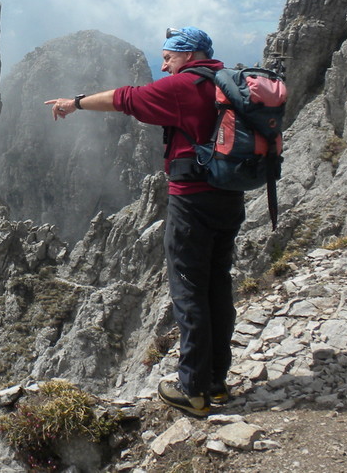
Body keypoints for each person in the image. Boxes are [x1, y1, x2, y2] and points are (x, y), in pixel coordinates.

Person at [44, 26, 245, 418]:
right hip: (230, 197)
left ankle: (194, 389)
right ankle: (217, 382)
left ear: (188, 54)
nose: (164, 61)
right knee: (218, 286)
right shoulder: (227, 80)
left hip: (193, 202)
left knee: (189, 290)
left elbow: (124, 99)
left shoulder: (184, 87)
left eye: (169, 54)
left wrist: (76, 103)